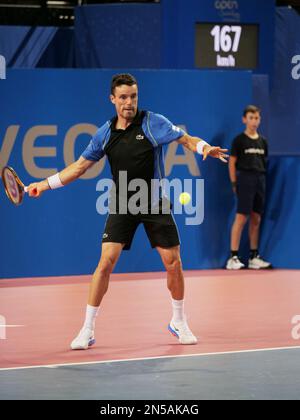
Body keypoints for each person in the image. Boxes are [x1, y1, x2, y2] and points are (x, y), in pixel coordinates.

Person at [27, 73, 228, 350]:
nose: (129, 102)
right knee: (105, 263)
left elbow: (185, 139)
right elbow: (79, 167)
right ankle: (87, 329)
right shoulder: (105, 133)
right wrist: (43, 185)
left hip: (154, 202)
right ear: (112, 99)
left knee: (174, 263)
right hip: (123, 203)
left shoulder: (152, 122)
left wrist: (204, 147)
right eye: (123, 97)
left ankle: (179, 321)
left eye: (133, 96)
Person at [226, 105, 272, 270]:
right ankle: (233, 257)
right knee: (241, 218)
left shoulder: (263, 141)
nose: (254, 121)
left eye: (257, 118)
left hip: (260, 179)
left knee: (256, 218)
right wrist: (233, 183)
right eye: (251, 118)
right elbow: (232, 162)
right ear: (244, 119)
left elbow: (264, 161)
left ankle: (253, 256)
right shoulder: (239, 140)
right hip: (245, 179)